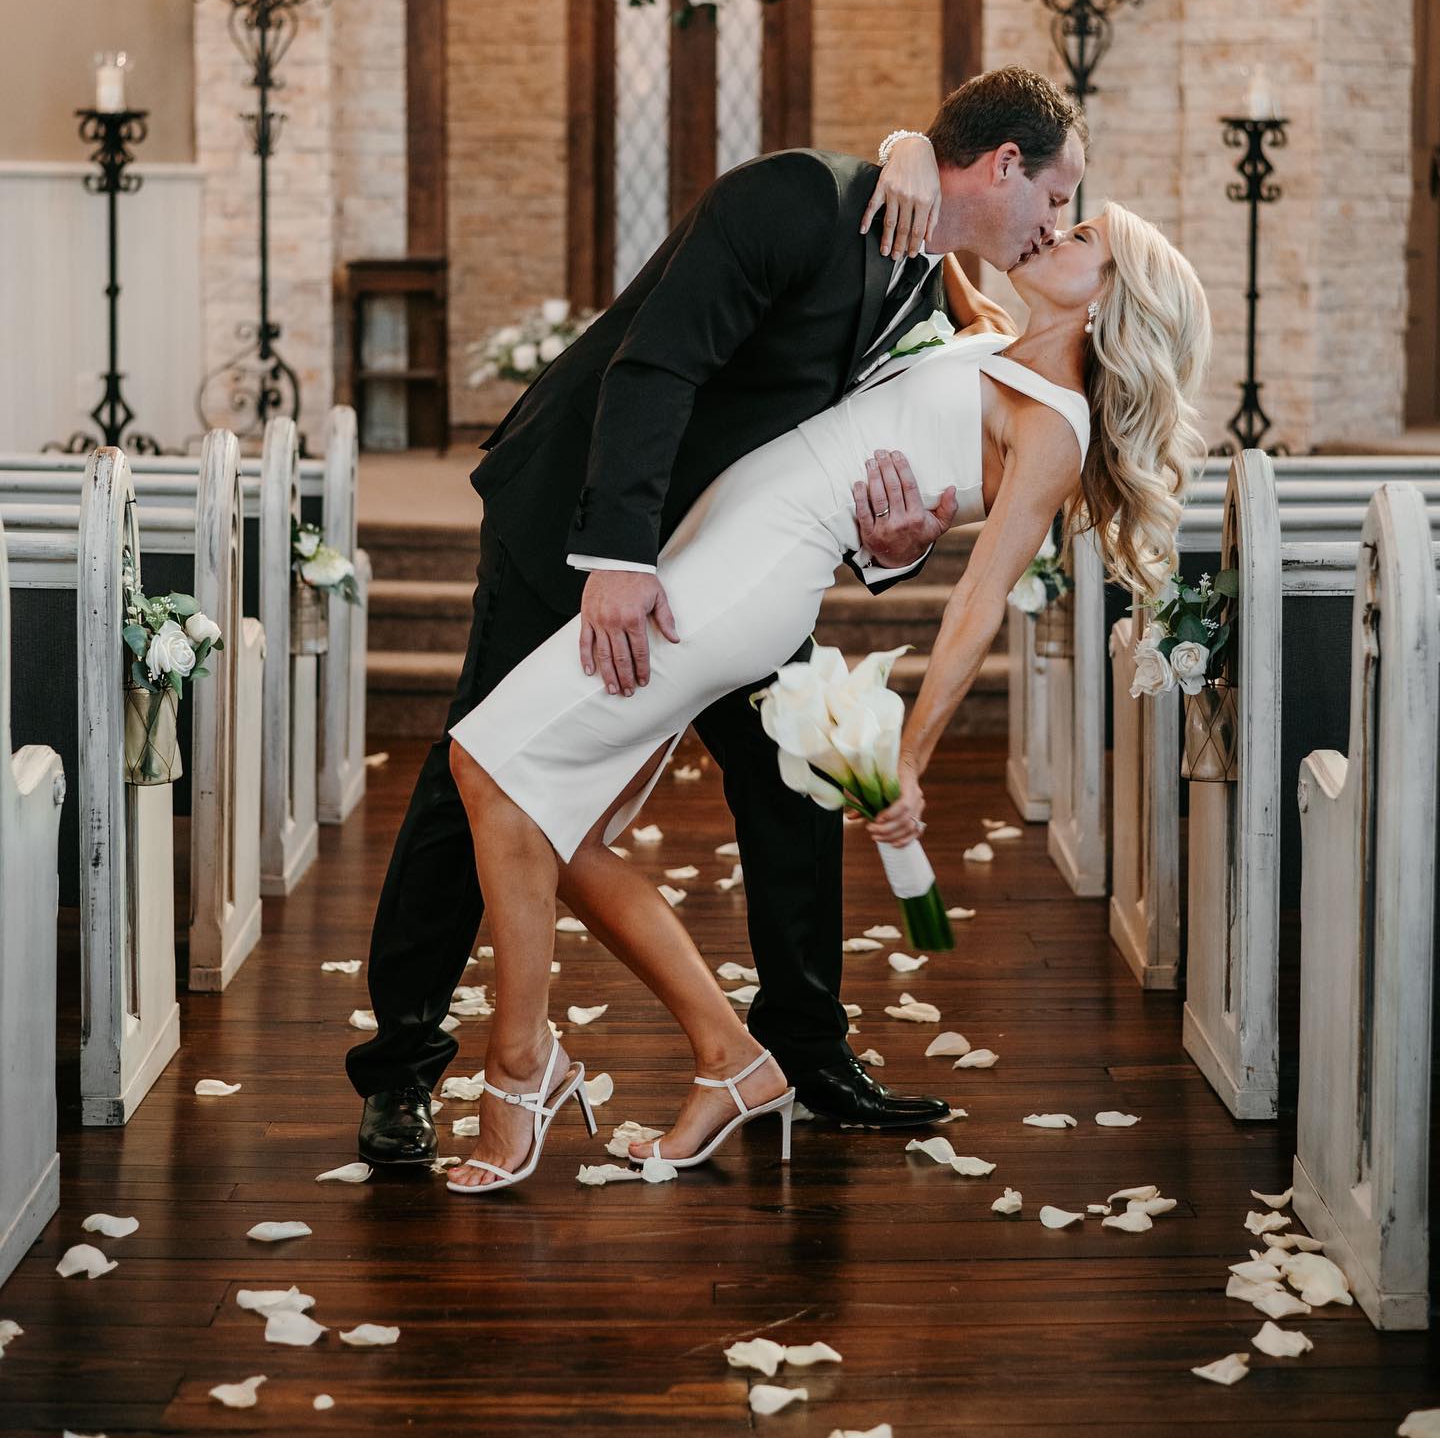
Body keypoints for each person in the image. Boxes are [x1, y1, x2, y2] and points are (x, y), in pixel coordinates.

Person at [348, 66, 1088, 1169]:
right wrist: (616, 558)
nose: (1055, 225)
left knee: (791, 783)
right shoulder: (800, 200)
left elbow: (879, 456)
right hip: (589, 518)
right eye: (1057, 196)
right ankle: (405, 1064)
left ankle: (801, 1050)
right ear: (1001, 166)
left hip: (739, 560)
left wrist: (898, 545)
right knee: (482, 775)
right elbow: (658, 367)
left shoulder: (940, 289)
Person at [441, 199, 1211, 1191]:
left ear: (1113, 300)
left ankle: (519, 1070)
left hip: (746, 582)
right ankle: (731, 1061)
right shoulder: (993, 341)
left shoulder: (1053, 423)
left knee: (487, 765)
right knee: (560, 827)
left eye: (1080, 241)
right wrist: (908, 151)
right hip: (718, 537)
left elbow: (978, 602)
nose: (1052, 237)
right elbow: (946, 247)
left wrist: (912, 760)